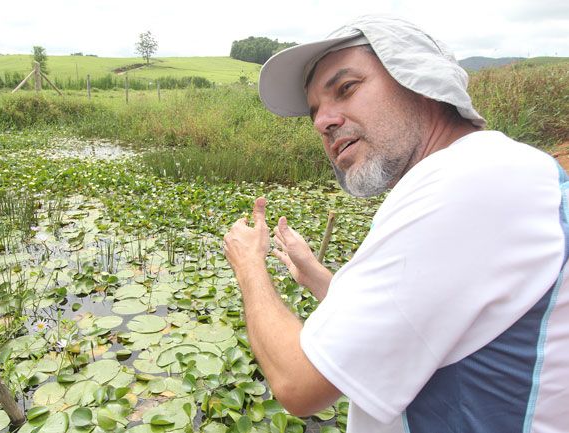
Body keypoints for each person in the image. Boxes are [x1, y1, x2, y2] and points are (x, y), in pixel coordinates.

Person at [223, 15, 569, 433]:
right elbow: (415, 323)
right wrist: (314, 274)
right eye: (315, 111)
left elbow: (300, 384)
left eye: (346, 88)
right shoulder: (491, 170)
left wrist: (249, 264)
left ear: (420, 80)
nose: (322, 121)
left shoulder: (466, 184)